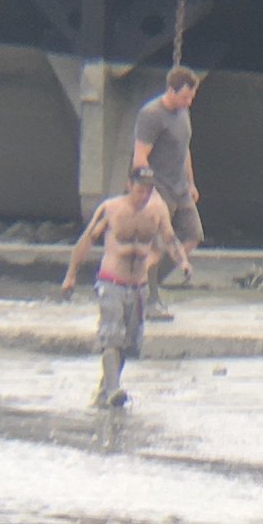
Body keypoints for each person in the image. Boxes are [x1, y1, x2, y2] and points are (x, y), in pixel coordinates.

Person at [62, 166, 192, 407]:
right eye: (140, 189)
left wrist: (183, 262)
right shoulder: (111, 209)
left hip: (138, 285)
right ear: (130, 185)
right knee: (111, 336)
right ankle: (113, 390)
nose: (143, 195)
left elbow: (169, 238)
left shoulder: (157, 209)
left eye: (148, 190)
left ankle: (106, 388)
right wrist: (71, 275)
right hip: (111, 281)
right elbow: (87, 240)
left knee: (128, 343)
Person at [131, 65, 201, 321]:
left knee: (192, 236)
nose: (189, 101)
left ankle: (144, 285)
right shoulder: (151, 115)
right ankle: (149, 300)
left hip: (180, 188)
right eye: (185, 96)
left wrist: (191, 183)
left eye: (191, 96)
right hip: (159, 188)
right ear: (171, 90)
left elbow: (185, 149)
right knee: (158, 246)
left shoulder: (183, 112)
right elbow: (140, 159)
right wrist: (151, 194)